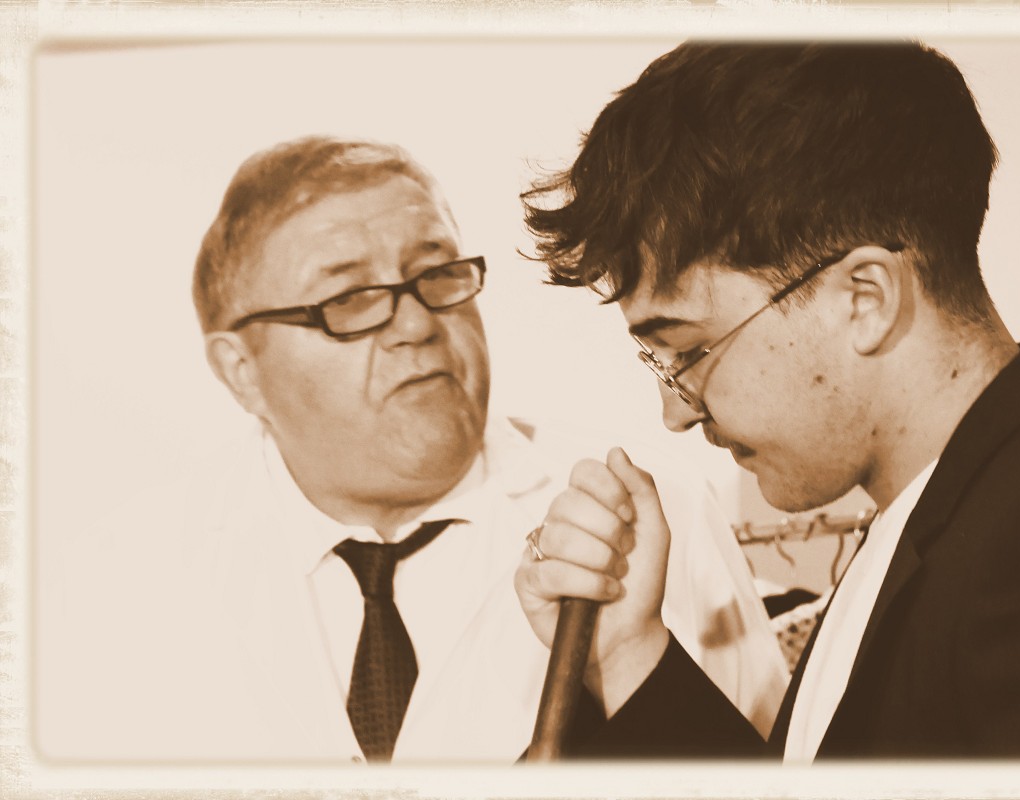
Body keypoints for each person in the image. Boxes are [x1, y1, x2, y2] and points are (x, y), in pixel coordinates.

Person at [36, 135, 787, 764]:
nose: (417, 324)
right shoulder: (108, 586)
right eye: (347, 300)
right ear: (241, 371)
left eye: (437, 275)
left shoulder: (650, 516)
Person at [515, 41, 1020, 759]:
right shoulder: (935, 515)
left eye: (688, 351)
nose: (676, 412)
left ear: (864, 301)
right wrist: (625, 650)